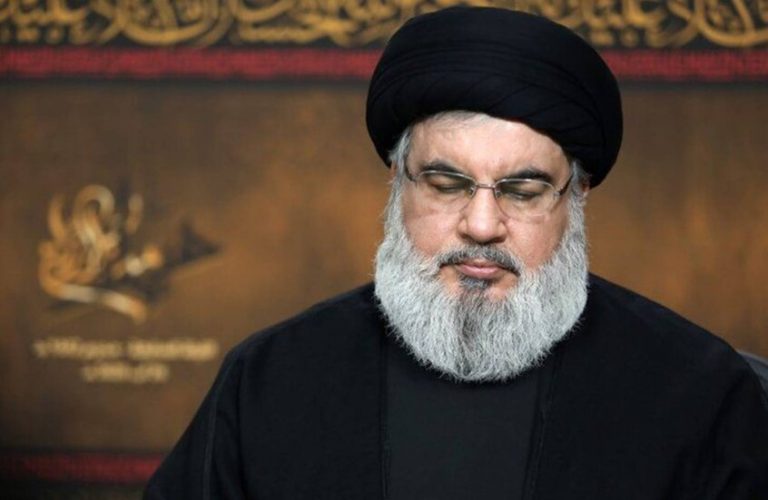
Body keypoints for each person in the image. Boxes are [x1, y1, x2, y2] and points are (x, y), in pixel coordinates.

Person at [144, 7, 768, 499]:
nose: (481, 225)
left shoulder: (697, 393)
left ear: (575, 194)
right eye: (447, 184)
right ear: (398, 182)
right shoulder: (270, 380)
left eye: (523, 191)